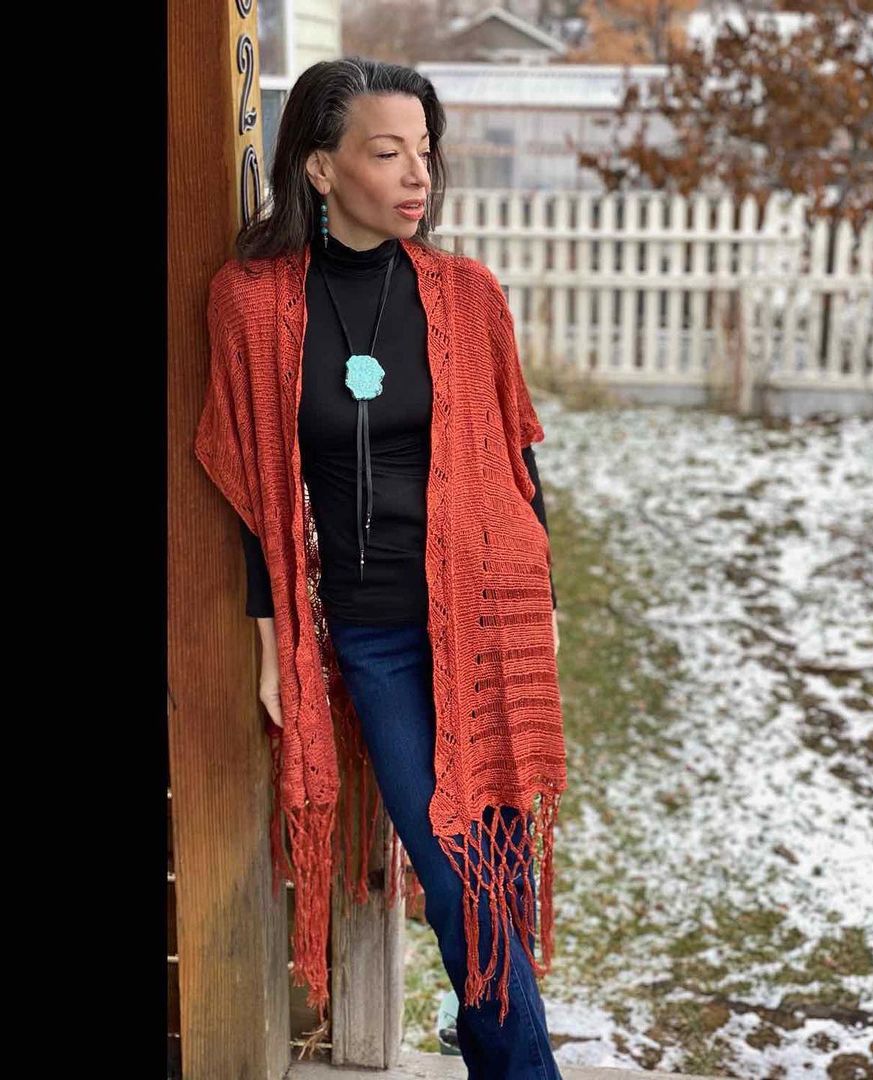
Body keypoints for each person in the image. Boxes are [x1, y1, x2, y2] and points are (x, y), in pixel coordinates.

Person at [194, 57, 567, 1078]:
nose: (416, 176)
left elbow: (515, 459)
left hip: (487, 614)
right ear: (320, 168)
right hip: (374, 632)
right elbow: (253, 490)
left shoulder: (465, 295)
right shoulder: (251, 305)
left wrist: (540, 603)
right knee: (459, 875)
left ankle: (503, 1055)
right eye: (388, 152)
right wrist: (272, 640)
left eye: (425, 154)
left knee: (490, 873)